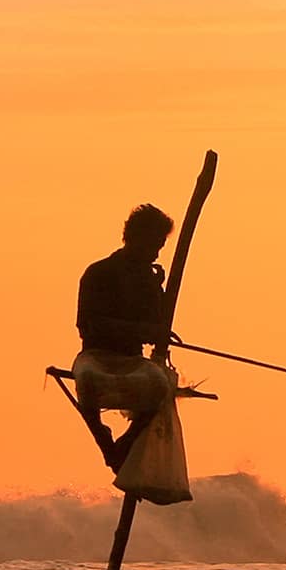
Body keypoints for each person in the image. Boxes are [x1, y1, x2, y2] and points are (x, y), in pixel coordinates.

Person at [70, 205, 192, 503]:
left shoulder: (149, 279)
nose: (156, 253)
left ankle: (124, 442)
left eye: (160, 246)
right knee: (86, 381)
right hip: (96, 355)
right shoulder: (99, 272)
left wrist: (159, 293)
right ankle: (107, 444)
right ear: (134, 237)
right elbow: (89, 325)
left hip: (132, 360)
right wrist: (142, 331)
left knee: (159, 384)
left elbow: (155, 324)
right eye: (153, 245)